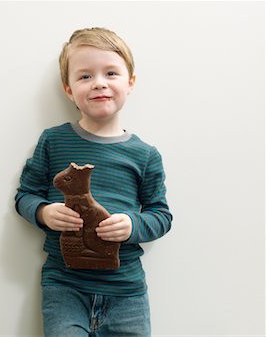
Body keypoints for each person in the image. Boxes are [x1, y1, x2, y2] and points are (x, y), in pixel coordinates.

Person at [14, 27, 172, 337]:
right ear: (69, 90)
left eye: (111, 73)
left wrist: (132, 224)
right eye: (85, 76)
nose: (99, 82)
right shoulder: (53, 141)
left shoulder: (145, 155)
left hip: (126, 291)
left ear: (130, 83)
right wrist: (44, 212)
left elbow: (161, 215)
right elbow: (25, 195)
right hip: (65, 287)